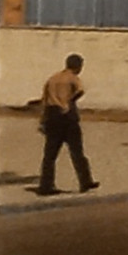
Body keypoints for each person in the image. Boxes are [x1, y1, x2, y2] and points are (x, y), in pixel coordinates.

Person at [37, 54, 97, 195]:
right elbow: (80, 90)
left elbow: (44, 100)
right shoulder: (72, 78)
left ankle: (46, 185)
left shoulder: (52, 78)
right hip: (67, 116)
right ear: (78, 66)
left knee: (50, 154)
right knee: (77, 151)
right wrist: (69, 101)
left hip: (52, 115)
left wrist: (43, 120)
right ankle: (85, 181)